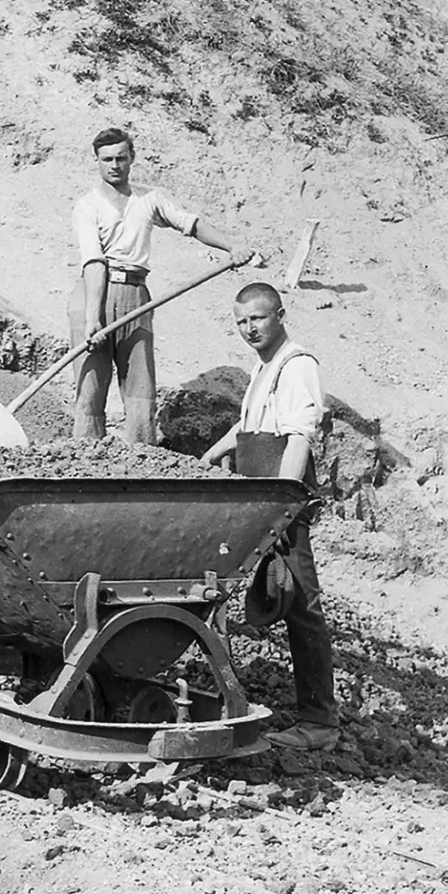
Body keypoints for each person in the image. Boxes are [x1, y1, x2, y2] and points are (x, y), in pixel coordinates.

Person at [201, 282, 339, 750]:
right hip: (259, 502)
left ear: (280, 315)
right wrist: (209, 456)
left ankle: (319, 723)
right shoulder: (264, 368)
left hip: (281, 504)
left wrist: (282, 504)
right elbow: (250, 426)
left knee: (302, 606)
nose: (249, 329)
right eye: (241, 321)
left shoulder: (297, 366)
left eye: (257, 318)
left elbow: (299, 437)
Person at [69, 127, 254, 444]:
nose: (114, 165)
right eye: (107, 159)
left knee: (140, 389)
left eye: (121, 158)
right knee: (91, 389)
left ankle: (141, 459)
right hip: (92, 295)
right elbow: (94, 262)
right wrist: (92, 319)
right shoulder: (87, 205)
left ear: (132, 158)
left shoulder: (149, 199)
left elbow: (190, 224)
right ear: (97, 161)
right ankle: (86, 458)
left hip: (136, 296)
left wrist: (232, 246)